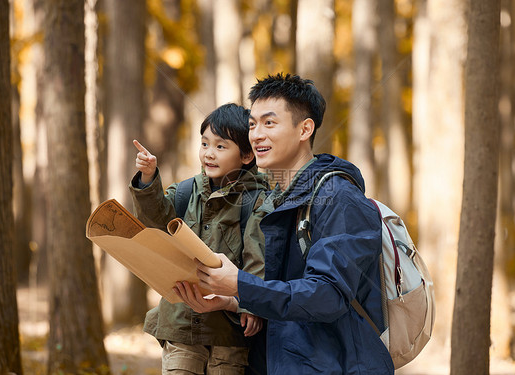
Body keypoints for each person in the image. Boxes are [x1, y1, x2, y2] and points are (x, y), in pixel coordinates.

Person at [174, 73, 395, 374]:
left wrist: (240, 283)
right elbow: (278, 293)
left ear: (305, 129)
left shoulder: (338, 198)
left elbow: (326, 296)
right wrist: (232, 300)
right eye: (252, 124)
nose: (256, 134)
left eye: (269, 123)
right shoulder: (276, 198)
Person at [130, 103, 268, 375]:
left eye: (220, 146)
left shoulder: (256, 201)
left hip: (228, 333)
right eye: (204, 144)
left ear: (247, 155)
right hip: (180, 325)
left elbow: (257, 259)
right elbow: (154, 222)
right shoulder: (184, 192)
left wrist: (251, 305)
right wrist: (148, 179)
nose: (209, 154)